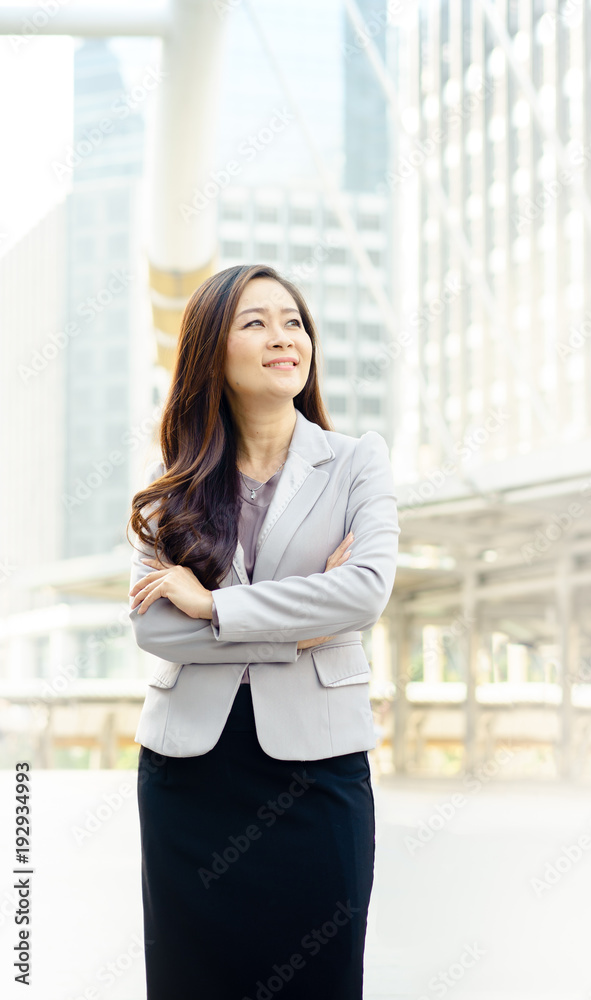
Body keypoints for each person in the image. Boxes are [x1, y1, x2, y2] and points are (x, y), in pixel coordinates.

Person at [126, 263, 400, 999]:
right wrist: (304, 625)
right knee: (192, 979)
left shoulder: (355, 463)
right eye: (255, 322)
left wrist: (215, 606)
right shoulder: (172, 481)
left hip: (317, 772)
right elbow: (155, 629)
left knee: (319, 978)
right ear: (212, 351)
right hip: (188, 774)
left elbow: (364, 591)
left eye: (293, 321)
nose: (284, 337)